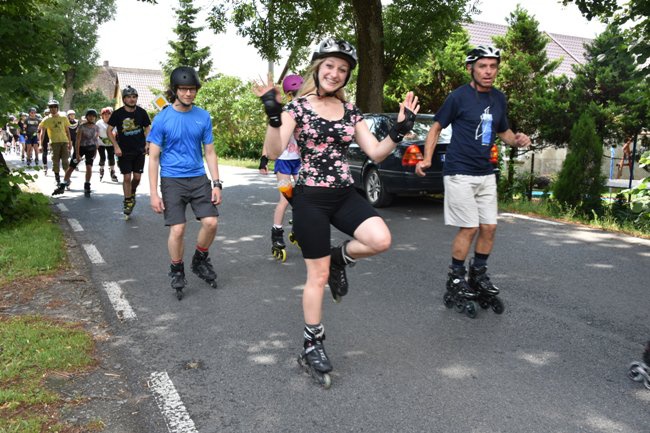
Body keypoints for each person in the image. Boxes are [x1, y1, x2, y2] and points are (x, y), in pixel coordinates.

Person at [253, 37, 419, 383]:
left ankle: (340, 256)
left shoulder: (352, 111)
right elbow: (272, 151)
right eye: (330, 66)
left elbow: (375, 153)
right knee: (318, 276)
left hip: (344, 193)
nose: (335, 73)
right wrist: (272, 113)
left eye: (342, 69)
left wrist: (400, 129)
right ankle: (312, 344)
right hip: (310, 197)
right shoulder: (296, 108)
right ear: (318, 67)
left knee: (380, 239)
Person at [415, 45, 530, 317]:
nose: (488, 71)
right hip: (459, 172)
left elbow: (503, 131)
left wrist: (517, 140)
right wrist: (427, 158)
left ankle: (477, 275)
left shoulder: (499, 99)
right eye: (483, 66)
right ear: (471, 68)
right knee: (469, 227)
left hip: (485, 172)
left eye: (493, 66)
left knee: (489, 227)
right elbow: (436, 128)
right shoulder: (458, 97)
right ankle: (455, 278)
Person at [148, 66, 222, 300]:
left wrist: (216, 183)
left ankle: (199, 260)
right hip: (172, 179)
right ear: (175, 91)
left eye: (192, 89)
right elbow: (153, 157)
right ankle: (176, 268)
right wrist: (153, 193)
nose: (189, 93)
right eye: (184, 89)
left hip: (198, 177)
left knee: (211, 223)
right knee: (178, 229)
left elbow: (209, 152)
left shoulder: (203, 116)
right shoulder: (163, 118)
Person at [259, 74, 304, 260]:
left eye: (299, 93)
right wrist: (263, 159)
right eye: (293, 94)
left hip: (300, 161)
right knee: (285, 199)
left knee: (304, 197)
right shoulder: (284, 113)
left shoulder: (307, 113)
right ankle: (277, 235)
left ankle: (298, 229)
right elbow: (269, 137)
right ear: (288, 95)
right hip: (283, 162)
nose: (297, 97)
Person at [107, 86, 151, 217]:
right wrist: (115, 146)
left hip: (139, 150)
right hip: (124, 151)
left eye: (134, 97)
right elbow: (109, 131)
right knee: (127, 177)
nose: (132, 99)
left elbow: (148, 128)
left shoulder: (142, 112)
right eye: (128, 97)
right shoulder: (118, 113)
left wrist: (148, 143)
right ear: (124, 99)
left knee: (137, 178)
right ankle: (127, 201)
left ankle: (132, 192)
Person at [53, 109, 100, 196]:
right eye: (90, 116)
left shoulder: (96, 127)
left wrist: (96, 152)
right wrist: (77, 154)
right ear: (86, 117)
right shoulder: (81, 127)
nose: (91, 118)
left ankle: (87, 184)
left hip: (91, 148)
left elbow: (96, 140)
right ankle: (63, 184)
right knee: (71, 167)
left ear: (95, 118)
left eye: (93, 116)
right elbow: (77, 141)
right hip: (81, 148)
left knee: (89, 167)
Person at [39, 100, 72, 184]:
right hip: (54, 143)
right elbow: (42, 132)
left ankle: (67, 178)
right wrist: (40, 145)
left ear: (57, 107)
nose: (53, 108)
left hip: (64, 141)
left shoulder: (63, 117)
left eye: (54, 106)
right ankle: (57, 179)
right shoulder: (46, 119)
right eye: (51, 107)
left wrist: (70, 143)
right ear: (49, 108)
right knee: (55, 161)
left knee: (65, 161)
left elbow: (67, 131)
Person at [96, 107, 118, 182]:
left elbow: (115, 132)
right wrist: (95, 142)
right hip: (101, 142)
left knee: (111, 157)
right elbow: (96, 133)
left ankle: (112, 172)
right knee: (103, 158)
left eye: (108, 114)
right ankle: (101, 170)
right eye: (104, 114)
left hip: (110, 142)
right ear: (102, 115)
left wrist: (114, 142)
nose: (106, 115)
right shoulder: (99, 123)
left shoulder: (113, 122)